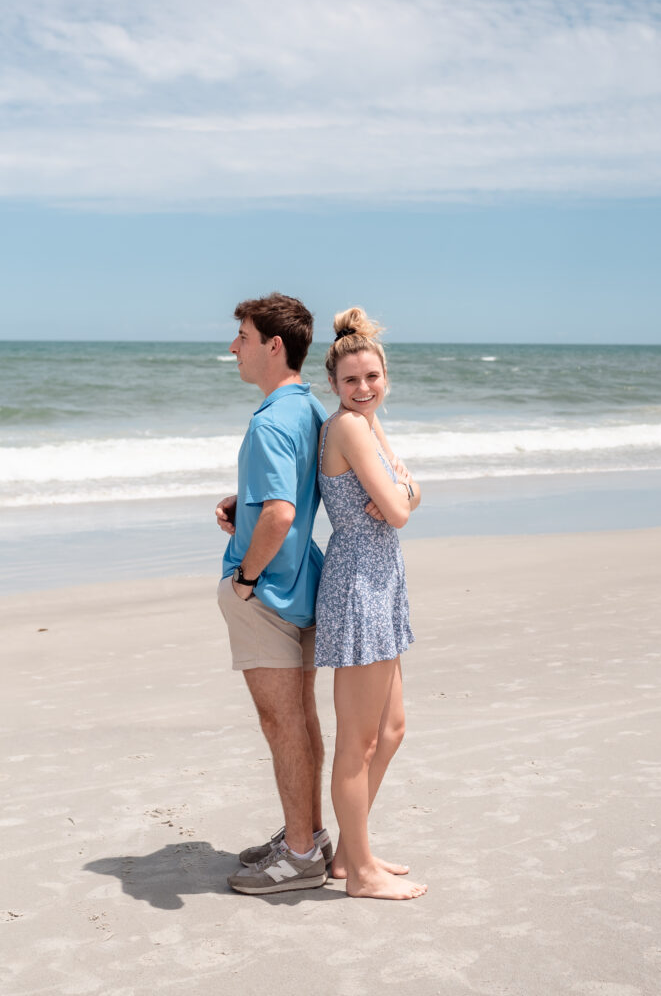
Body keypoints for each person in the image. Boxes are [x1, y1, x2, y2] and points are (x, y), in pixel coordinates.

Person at [215, 292, 331, 895]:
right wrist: (246, 505)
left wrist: (246, 577)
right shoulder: (308, 409)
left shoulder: (270, 420)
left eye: (243, 335)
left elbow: (282, 512)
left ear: (273, 345)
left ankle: (303, 854)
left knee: (280, 720)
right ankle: (304, 834)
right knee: (301, 718)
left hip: (271, 591)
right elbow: (292, 497)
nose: (235, 346)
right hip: (303, 581)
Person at [314, 306, 427, 900]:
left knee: (392, 730)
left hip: (383, 580)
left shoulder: (370, 423)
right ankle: (357, 872)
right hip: (359, 583)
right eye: (351, 380)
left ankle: (352, 851)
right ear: (332, 384)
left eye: (372, 377)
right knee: (358, 739)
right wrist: (405, 494)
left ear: (386, 376)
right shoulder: (350, 427)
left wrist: (405, 492)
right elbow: (404, 507)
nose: (363, 389)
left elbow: (410, 490)